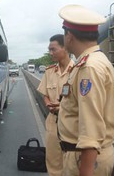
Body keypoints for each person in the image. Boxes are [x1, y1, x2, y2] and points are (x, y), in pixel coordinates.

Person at [57, 4, 114, 176]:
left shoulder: (89, 67)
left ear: (69, 36)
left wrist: (86, 170)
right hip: (85, 157)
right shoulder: (96, 60)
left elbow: (91, 129)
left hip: (85, 160)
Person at [37, 34, 74, 176]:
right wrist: (48, 105)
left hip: (71, 123)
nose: (50, 53)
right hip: (53, 122)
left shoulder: (78, 70)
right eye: (49, 50)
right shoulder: (49, 71)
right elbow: (45, 93)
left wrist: (63, 107)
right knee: (53, 163)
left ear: (65, 48)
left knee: (71, 163)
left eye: (53, 49)